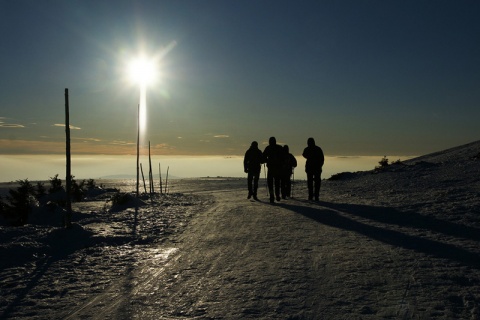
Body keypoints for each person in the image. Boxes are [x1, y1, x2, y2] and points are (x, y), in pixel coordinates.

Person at [263, 137, 284, 203]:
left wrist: (265, 160)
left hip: (271, 168)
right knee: (277, 182)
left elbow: (263, 156)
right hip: (278, 168)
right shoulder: (279, 147)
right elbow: (283, 156)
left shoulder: (268, 148)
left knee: (270, 183)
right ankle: (277, 195)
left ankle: (272, 196)